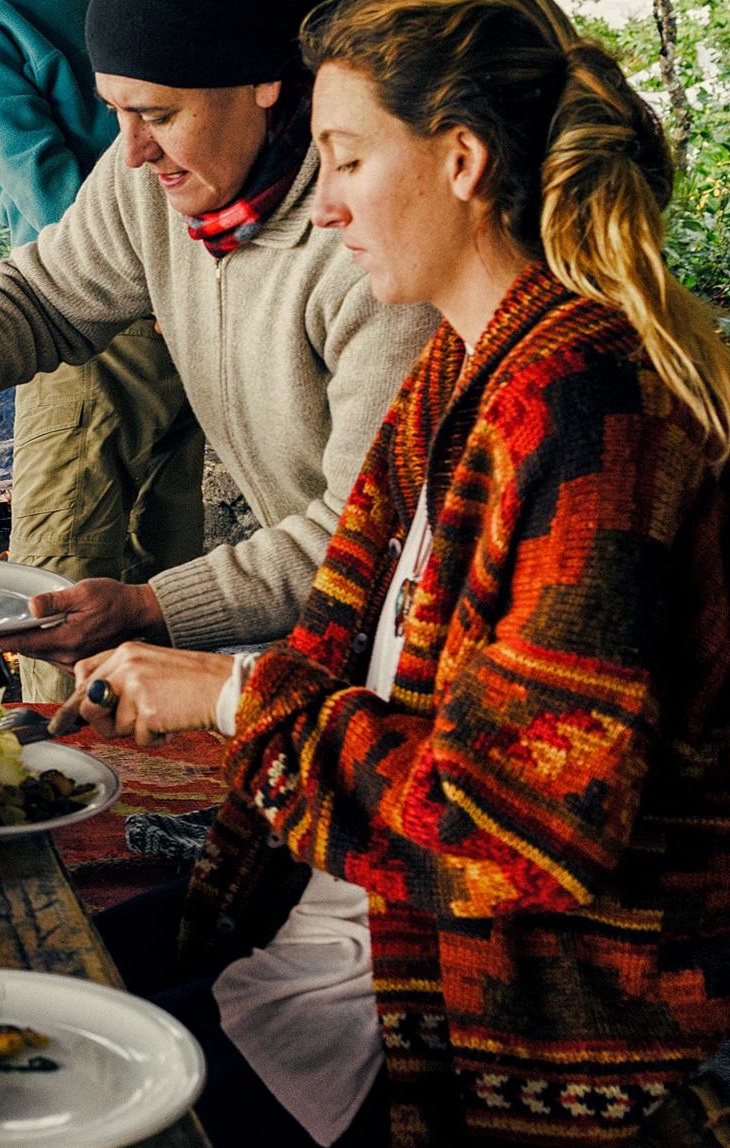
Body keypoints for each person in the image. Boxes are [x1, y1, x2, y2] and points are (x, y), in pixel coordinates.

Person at [54, 1, 730, 1143]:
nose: (322, 207)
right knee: (17, 988)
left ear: (460, 161)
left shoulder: (592, 418)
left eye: (346, 160)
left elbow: (511, 830)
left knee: (34, 1093)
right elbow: (344, 647)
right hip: (340, 924)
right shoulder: (461, 371)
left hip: (472, 1012)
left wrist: (231, 696)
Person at [0, 0, 437, 668]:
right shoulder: (152, 182)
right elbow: (49, 288)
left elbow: (366, 537)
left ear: (263, 83)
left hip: (418, 636)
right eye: (115, 112)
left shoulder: (371, 253)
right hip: (329, 617)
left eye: (158, 116)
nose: (131, 152)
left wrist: (154, 609)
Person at [0, 0, 205, 701]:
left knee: (56, 580)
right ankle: (164, 750)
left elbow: (45, 187)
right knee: (162, 575)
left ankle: (60, 753)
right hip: (182, 302)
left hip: (86, 326)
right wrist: (175, 284)